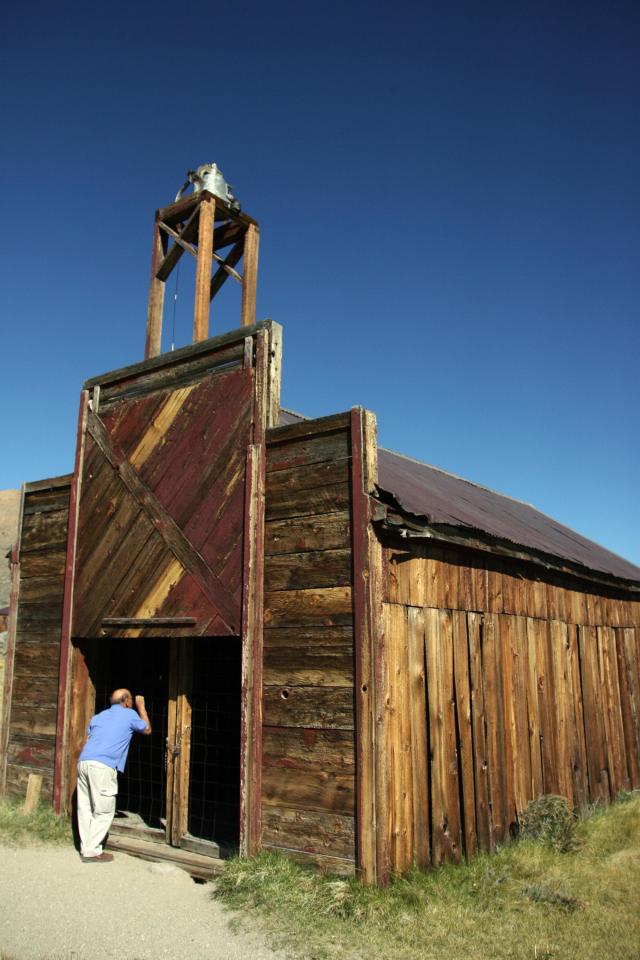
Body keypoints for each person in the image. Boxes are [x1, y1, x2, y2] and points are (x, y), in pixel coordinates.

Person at [76, 688, 151, 863]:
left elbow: (89, 739)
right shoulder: (129, 714)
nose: (132, 701)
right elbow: (147, 729)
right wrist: (142, 707)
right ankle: (92, 851)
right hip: (103, 766)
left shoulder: (99, 717)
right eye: (131, 699)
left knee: (85, 807)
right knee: (104, 809)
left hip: (84, 761)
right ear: (126, 701)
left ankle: (85, 847)